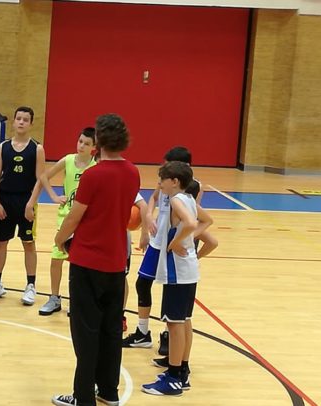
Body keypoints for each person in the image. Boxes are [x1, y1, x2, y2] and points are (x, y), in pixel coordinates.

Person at [50, 114, 140, 406]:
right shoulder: (133, 172)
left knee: (85, 331)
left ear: (97, 143)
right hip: (116, 261)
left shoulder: (93, 175)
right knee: (111, 329)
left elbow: (75, 217)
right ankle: (109, 391)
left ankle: (83, 396)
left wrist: (59, 238)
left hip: (88, 261)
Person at [141, 161, 213, 396]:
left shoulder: (175, 200)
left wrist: (174, 242)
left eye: (162, 179)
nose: (159, 183)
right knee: (182, 320)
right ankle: (180, 371)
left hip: (177, 272)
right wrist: (187, 239)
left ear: (174, 182)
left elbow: (192, 224)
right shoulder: (190, 199)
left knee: (174, 323)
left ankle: (173, 378)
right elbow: (205, 221)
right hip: (189, 270)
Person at [0, 106, 45, 305]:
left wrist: (31, 204)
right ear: (13, 121)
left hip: (26, 201)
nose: (21, 122)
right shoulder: (4, 146)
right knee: (1, 242)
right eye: (18, 118)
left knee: (28, 243)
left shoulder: (37, 148)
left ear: (31, 124)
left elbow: (39, 179)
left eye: (25, 120)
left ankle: (30, 286)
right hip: (6, 200)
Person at [37, 128, 96, 316]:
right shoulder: (68, 160)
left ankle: (76, 300)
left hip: (85, 220)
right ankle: (54, 298)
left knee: (78, 264)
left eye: (86, 143)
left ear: (94, 148)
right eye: (80, 141)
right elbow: (44, 176)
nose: (82, 146)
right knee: (56, 258)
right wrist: (54, 196)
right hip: (65, 217)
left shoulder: (95, 167)